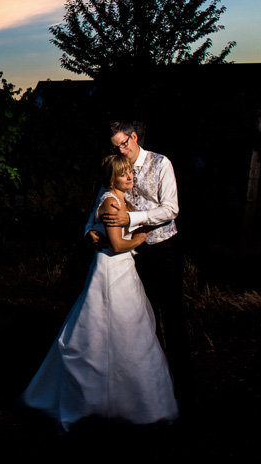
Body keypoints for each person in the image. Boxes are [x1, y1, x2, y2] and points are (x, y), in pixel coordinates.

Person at [20, 154, 178, 431]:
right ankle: (99, 402)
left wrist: (91, 229)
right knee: (108, 329)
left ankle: (124, 399)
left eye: (131, 173)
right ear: (111, 179)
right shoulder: (110, 201)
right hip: (112, 270)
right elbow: (117, 245)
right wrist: (141, 237)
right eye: (124, 175)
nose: (131, 177)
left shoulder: (114, 197)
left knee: (126, 330)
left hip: (121, 269)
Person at [87, 121, 189, 396]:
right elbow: (102, 196)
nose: (121, 149)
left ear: (134, 137)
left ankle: (182, 380)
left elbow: (171, 209)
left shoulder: (161, 163)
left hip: (162, 247)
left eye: (123, 143)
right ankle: (151, 377)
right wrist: (90, 229)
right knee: (142, 315)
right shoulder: (118, 164)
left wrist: (130, 218)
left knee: (172, 312)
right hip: (129, 252)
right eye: (115, 146)